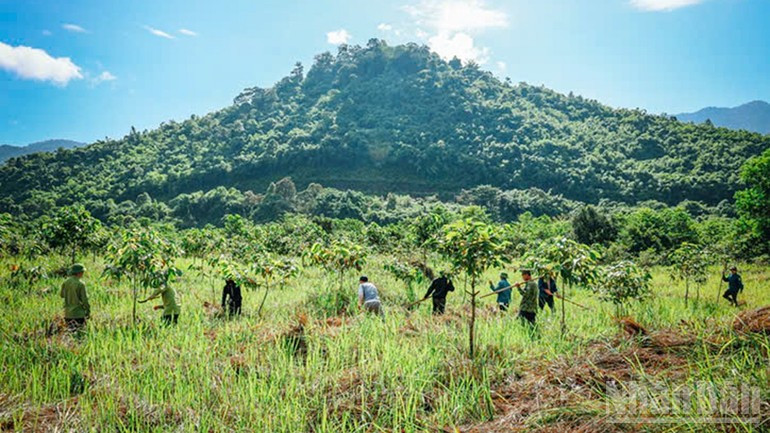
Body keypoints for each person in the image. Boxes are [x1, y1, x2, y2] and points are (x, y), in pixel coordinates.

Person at [60, 263, 90, 332]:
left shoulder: (65, 282)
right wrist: (88, 311)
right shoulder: (81, 284)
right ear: (79, 273)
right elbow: (84, 300)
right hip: (78, 314)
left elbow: (62, 295)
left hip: (68, 314)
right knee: (79, 333)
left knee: (70, 333)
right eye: (82, 272)